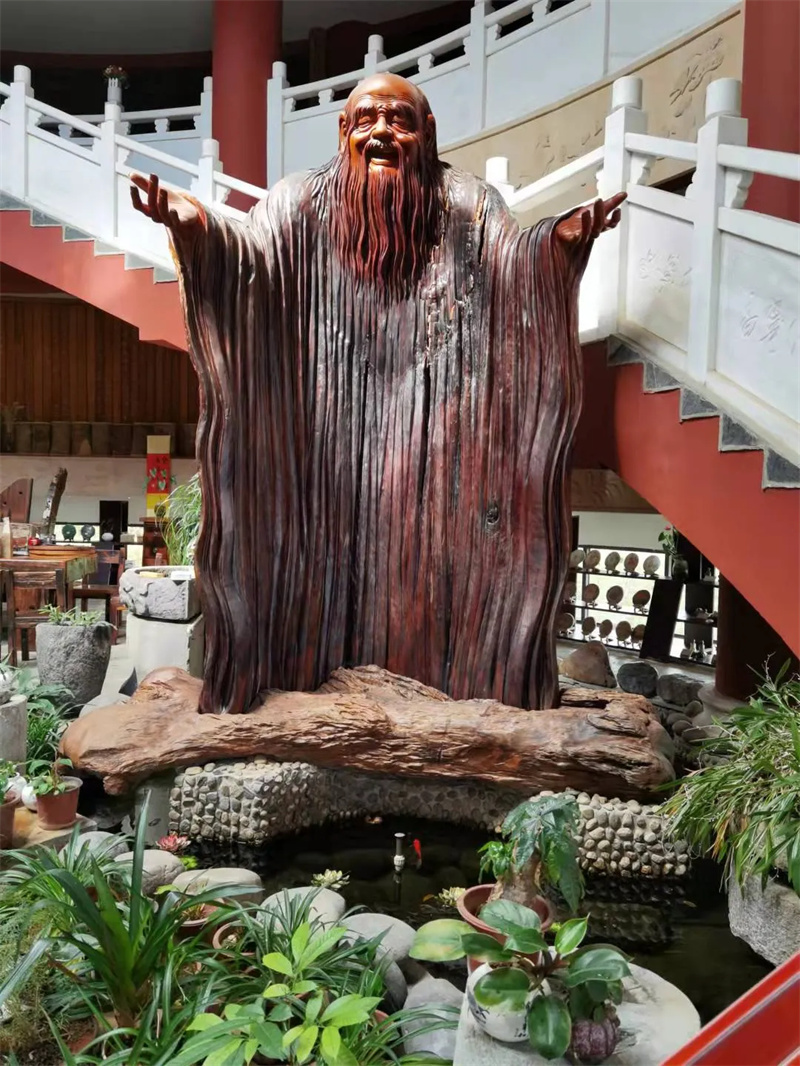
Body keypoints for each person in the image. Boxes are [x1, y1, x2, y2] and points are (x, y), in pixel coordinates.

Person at [132, 73, 624, 715]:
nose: (381, 134)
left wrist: (559, 243)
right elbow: (247, 259)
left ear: (428, 134)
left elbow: (514, 263)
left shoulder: (466, 205)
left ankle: (445, 703)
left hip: (440, 446)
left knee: (431, 583)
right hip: (322, 448)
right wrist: (195, 226)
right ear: (343, 132)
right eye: (365, 120)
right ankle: (305, 691)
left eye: (399, 120)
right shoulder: (299, 203)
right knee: (318, 578)